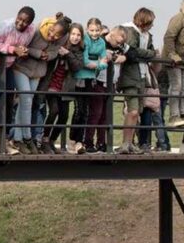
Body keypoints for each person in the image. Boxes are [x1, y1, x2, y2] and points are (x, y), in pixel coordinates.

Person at [10, 13, 71, 154]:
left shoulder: (62, 39)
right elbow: (24, 45)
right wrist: (38, 53)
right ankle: (26, 138)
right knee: (26, 99)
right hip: (23, 68)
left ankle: (18, 138)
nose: (52, 36)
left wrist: (48, 55)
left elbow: (55, 52)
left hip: (38, 72)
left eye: (56, 36)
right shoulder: (37, 31)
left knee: (25, 103)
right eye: (52, 32)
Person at [110, 8, 160, 154]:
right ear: (144, 21)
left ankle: (129, 143)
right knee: (132, 111)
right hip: (131, 77)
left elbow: (150, 53)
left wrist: (145, 54)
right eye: (150, 22)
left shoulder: (147, 35)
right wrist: (146, 54)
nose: (152, 25)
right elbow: (131, 51)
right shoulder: (130, 32)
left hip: (142, 77)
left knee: (137, 111)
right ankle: (125, 143)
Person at [0, 7, 36, 155]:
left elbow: (25, 44)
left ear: (29, 23)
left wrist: (22, 50)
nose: (20, 23)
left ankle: (5, 139)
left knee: (8, 102)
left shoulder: (31, 30)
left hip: (9, 67)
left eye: (24, 22)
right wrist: (12, 49)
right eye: (19, 19)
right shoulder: (6, 25)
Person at [41, 23, 85, 154]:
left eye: (78, 35)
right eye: (73, 34)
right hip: (52, 84)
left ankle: (52, 141)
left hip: (65, 88)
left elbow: (77, 67)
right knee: (53, 111)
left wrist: (68, 54)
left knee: (64, 116)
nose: (75, 37)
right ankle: (44, 139)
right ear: (68, 34)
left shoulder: (79, 51)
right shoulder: (58, 44)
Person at [74, 18, 110, 154]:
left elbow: (104, 59)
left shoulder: (101, 42)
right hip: (80, 77)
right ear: (87, 29)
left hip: (91, 77)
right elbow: (85, 61)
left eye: (97, 30)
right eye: (92, 30)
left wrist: (98, 63)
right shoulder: (85, 39)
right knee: (80, 110)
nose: (95, 33)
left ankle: (82, 141)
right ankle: (76, 139)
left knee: (87, 110)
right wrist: (98, 64)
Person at [163, 0, 184, 128]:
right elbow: (169, 36)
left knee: (183, 87)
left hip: (182, 59)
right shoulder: (179, 18)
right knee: (177, 85)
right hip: (174, 59)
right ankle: (174, 116)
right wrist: (172, 55)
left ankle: (182, 114)